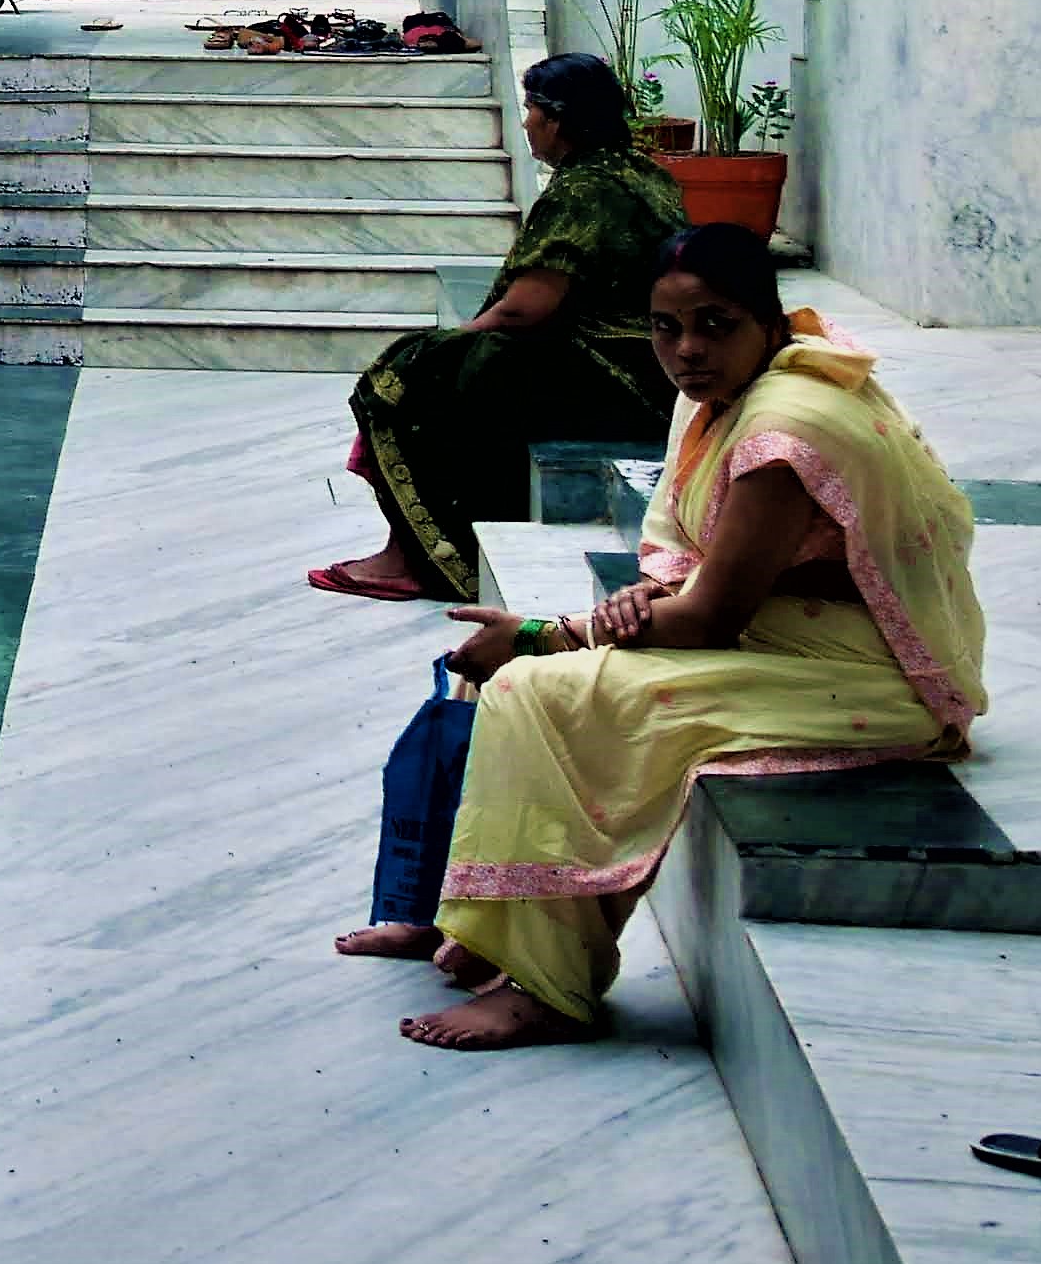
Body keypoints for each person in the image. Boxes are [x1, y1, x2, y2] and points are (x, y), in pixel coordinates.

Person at [346, 224, 988, 1050]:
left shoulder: (786, 430)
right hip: (778, 629)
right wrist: (638, 605)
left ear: (769, 321)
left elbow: (712, 616)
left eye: (715, 324)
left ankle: (546, 984)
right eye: (665, 327)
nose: (687, 350)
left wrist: (550, 634)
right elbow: (699, 565)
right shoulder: (732, 389)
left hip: (858, 675)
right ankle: (455, 918)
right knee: (486, 677)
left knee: (533, 688)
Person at [308, 51, 684, 600]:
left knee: (413, 374)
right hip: (648, 366)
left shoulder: (586, 189)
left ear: (556, 120)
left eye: (531, 109)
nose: (526, 122)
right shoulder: (639, 173)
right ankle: (410, 547)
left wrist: (454, 342)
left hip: (618, 374)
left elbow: (525, 308)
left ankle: (425, 556)